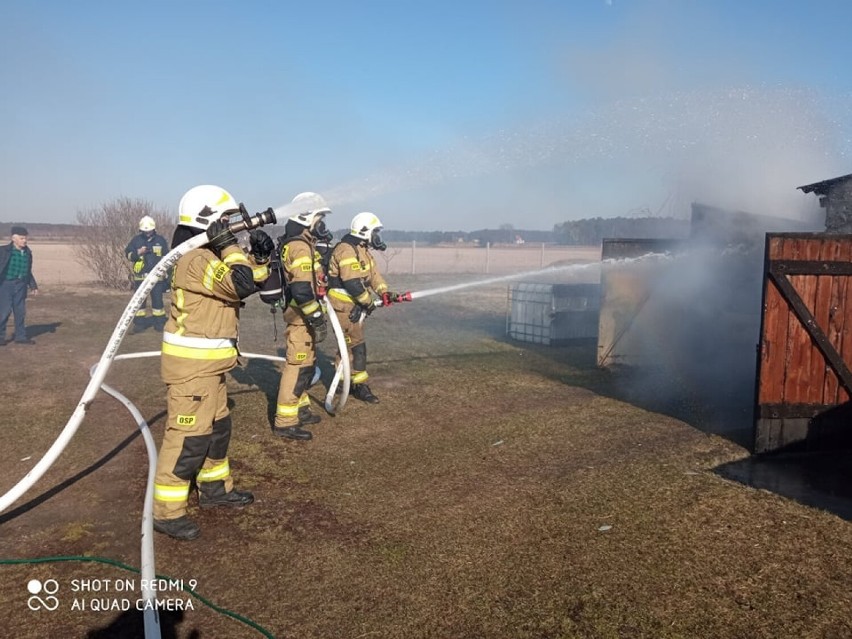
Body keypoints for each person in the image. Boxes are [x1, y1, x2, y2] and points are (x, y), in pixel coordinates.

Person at [152, 184, 273, 541]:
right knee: (188, 438)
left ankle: (215, 490)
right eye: (224, 220)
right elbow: (240, 285)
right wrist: (231, 246)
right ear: (208, 221)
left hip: (212, 368)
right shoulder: (195, 259)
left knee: (217, 431)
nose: (231, 226)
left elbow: (250, 278)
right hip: (192, 370)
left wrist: (262, 259)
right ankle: (167, 511)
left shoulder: (211, 255)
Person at [272, 192, 333, 441]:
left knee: (306, 366)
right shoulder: (298, 246)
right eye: (319, 217)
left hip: (301, 317)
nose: (321, 223)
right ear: (307, 217)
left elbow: (311, 279)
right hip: (300, 317)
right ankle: (285, 421)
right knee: (297, 368)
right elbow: (301, 289)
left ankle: (301, 408)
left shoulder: (302, 243)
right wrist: (317, 317)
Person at [327, 212, 403, 403]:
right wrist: (367, 302)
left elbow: (373, 276)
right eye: (375, 231)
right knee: (353, 347)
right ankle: (352, 386)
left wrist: (383, 292)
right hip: (343, 306)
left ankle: (351, 384)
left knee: (353, 346)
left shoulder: (362, 250)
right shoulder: (346, 249)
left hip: (355, 304)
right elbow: (352, 282)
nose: (377, 236)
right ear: (365, 231)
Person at [124, 216, 170, 332]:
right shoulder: (136, 240)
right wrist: (138, 252)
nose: (147, 233)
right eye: (145, 231)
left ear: (153, 229)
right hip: (140, 278)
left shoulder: (160, 240)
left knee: (158, 302)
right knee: (139, 303)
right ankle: (139, 325)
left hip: (157, 279)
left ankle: (159, 324)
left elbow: (167, 257)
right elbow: (128, 255)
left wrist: (167, 276)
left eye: (149, 230)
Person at [0, 226, 39, 346]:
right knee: (4, 312)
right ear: (14, 238)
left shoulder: (27, 253)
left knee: (20, 311)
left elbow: (28, 271)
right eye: (22, 238)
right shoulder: (3, 251)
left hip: (21, 285)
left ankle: (20, 336)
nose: (25, 241)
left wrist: (33, 285)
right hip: (6, 284)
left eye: (25, 238)